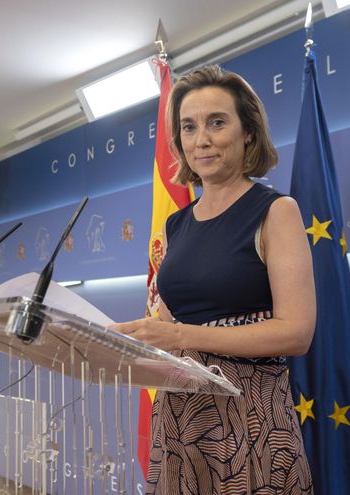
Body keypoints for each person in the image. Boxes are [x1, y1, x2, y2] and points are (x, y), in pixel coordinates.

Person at [111, 65, 316, 494]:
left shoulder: (276, 211)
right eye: (188, 127)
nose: (200, 139)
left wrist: (180, 335)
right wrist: (116, 343)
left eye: (216, 123)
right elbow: (167, 327)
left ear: (248, 133)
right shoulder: (176, 225)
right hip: (179, 418)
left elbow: (296, 333)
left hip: (249, 417)